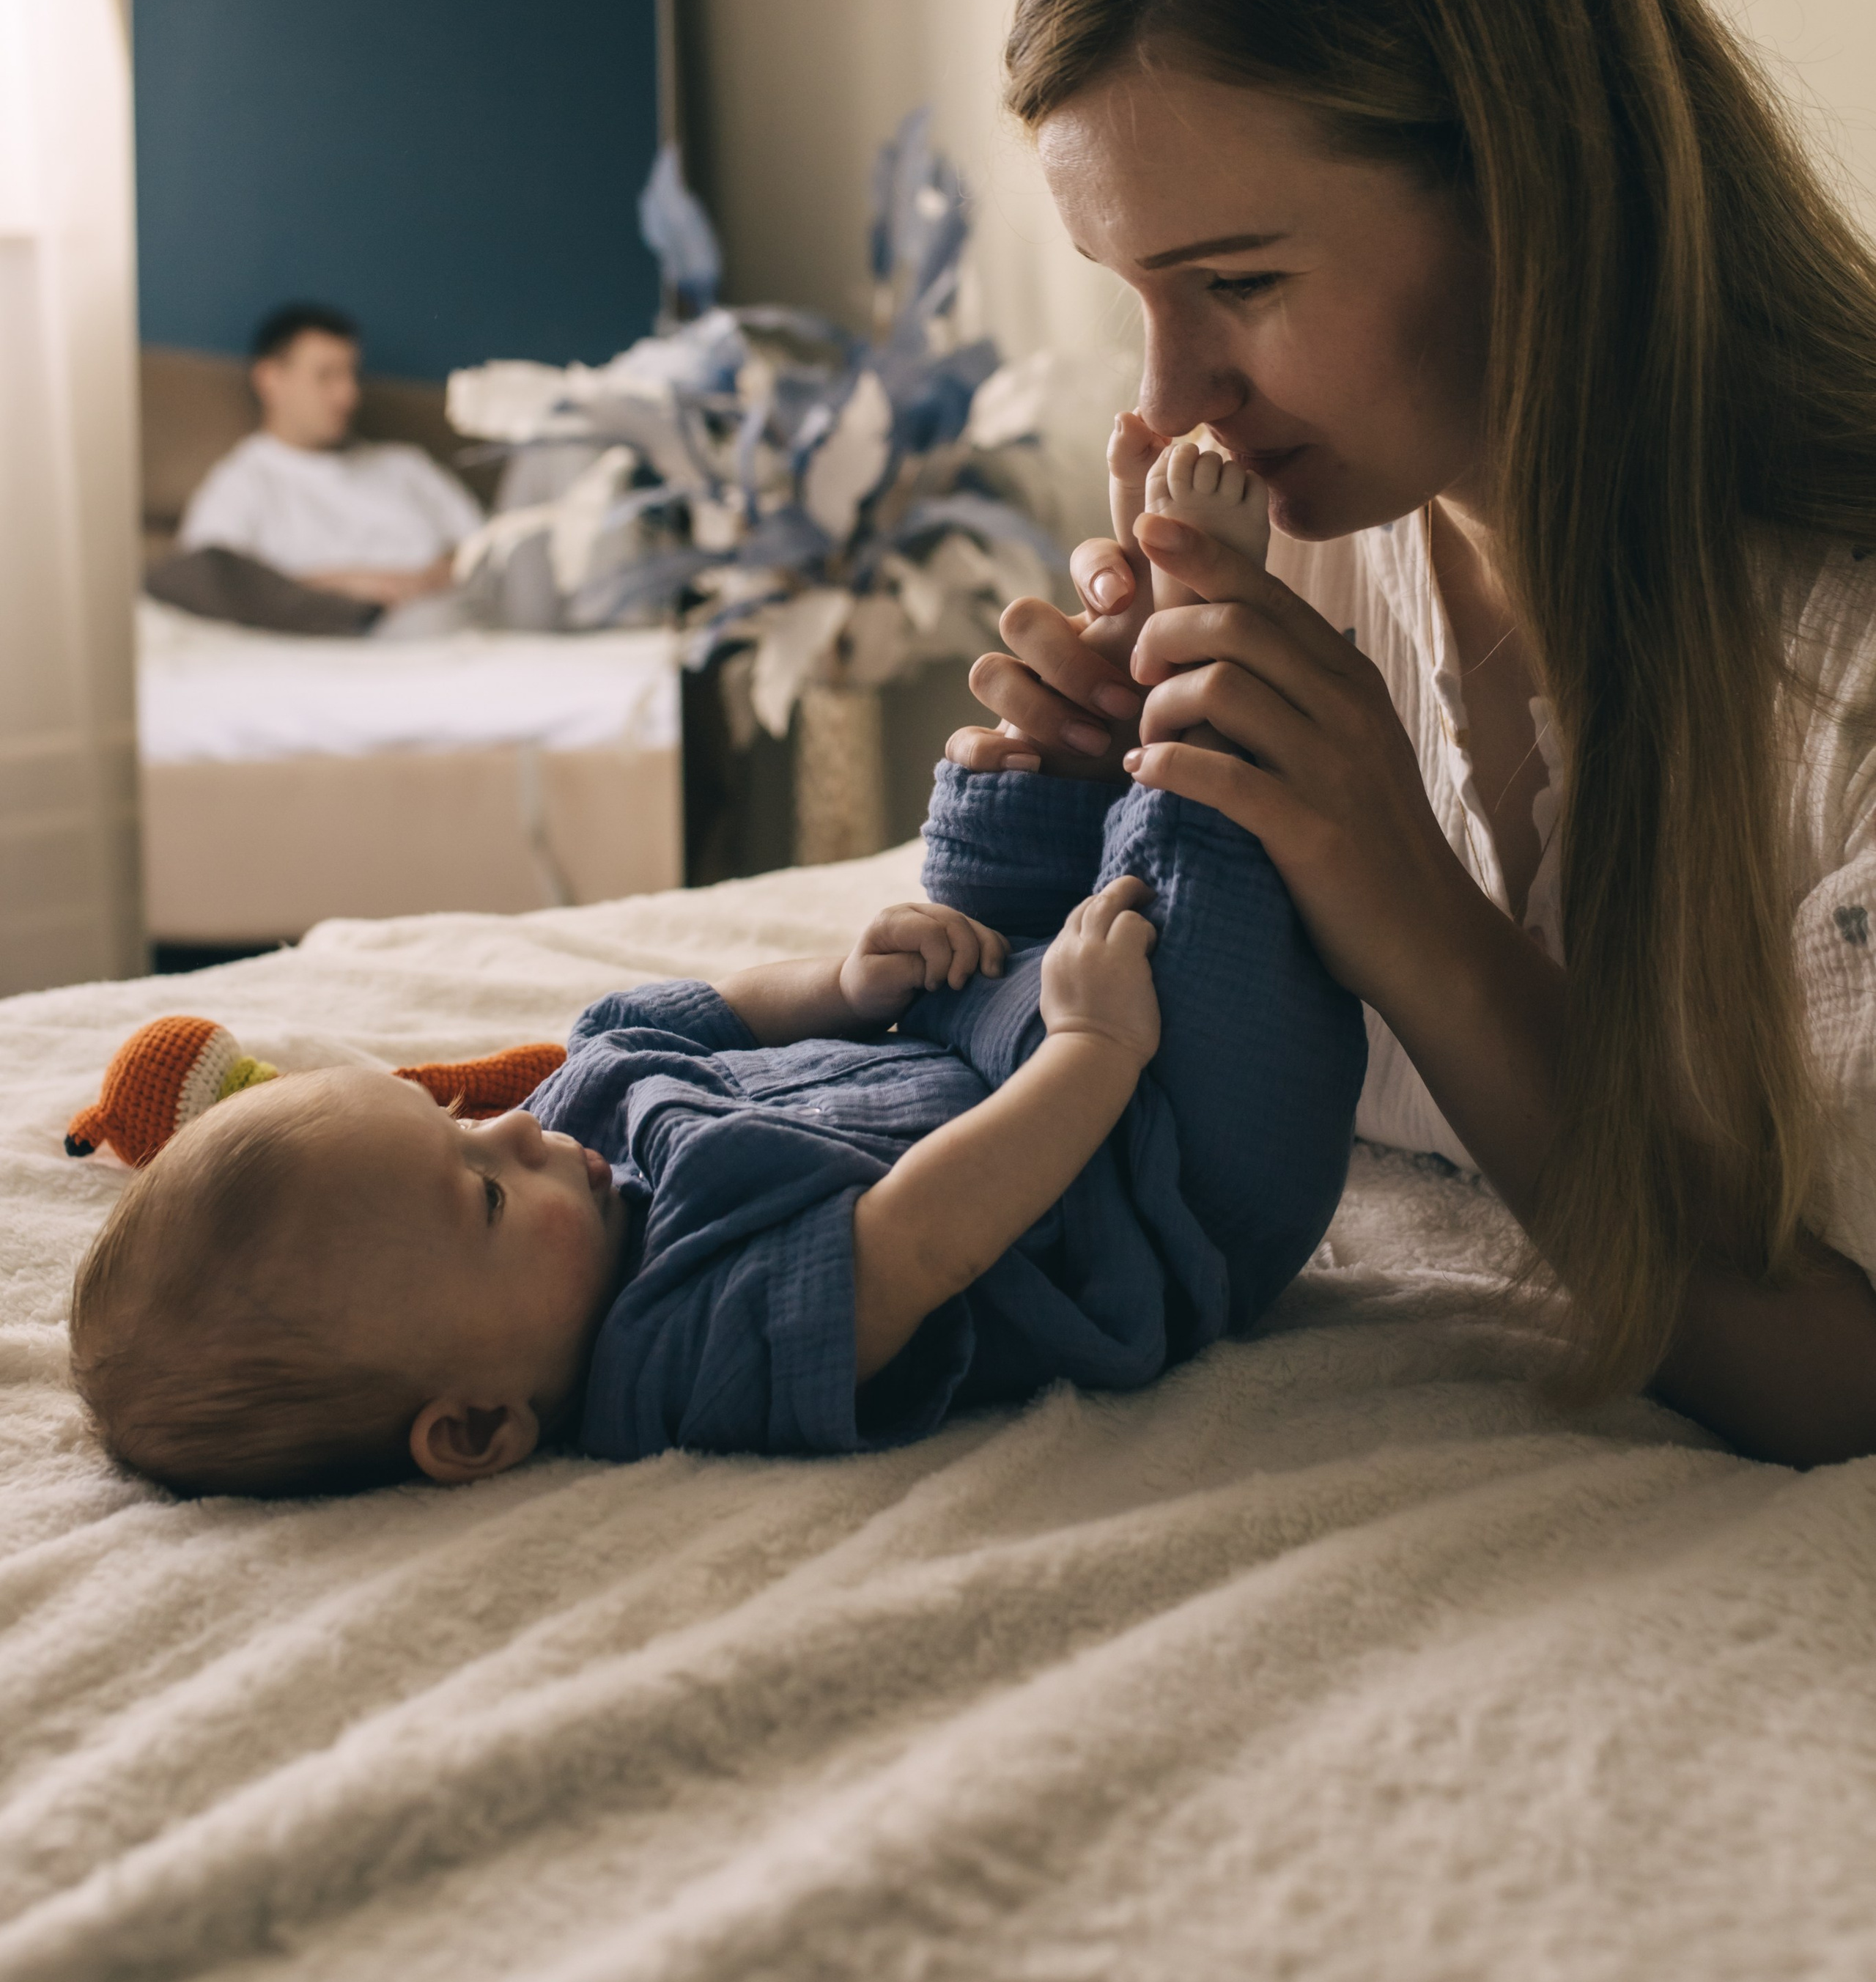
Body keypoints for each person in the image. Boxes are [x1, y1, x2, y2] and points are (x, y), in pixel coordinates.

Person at [947, 0, 1876, 1470]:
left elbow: (1840, 1372)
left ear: (1528, 191)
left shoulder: (1834, 675)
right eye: (1127, 292)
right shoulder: (1313, 533)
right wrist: (1108, 844)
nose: (1167, 396)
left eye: (1233, 278)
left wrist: (1393, 890)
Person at [67, 443, 1366, 1497]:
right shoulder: (673, 1352)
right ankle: (1206, 642)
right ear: (475, 1428)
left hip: (973, 1045)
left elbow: (710, 1017)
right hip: (1166, 1183)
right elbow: (920, 1239)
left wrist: (846, 984)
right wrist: (1097, 1052)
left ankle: (1099, 725)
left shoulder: (573, 1130)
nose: (515, 1133)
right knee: (1174, 881)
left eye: (456, 1121)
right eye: (481, 1201)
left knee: (978, 823)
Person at [177, 301, 481, 611]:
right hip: (366, 628)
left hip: (469, 602)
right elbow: (211, 586)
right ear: (269, 379)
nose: (348, 395)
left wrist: (433, 579)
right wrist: (354, 586)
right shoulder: (242, 483)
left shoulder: (405, 464)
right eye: (326, 376)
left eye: (352, 375)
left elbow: (492, 546)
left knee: (534, 468)